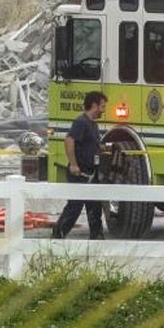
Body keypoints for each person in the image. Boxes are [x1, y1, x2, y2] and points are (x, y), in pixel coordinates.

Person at [51, 91, 107, 240]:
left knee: (95, 207)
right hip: (79, 174)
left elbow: (91, 144)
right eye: (102, 106)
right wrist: (74, 165)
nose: (104, 110)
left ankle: (97, 237)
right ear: (94, 105)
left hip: (91, 173)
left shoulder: (93, 125)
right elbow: (69, 140)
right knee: (74, 207)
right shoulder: (80, 122)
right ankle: (58, 235)